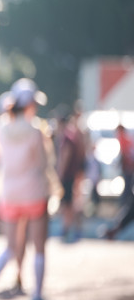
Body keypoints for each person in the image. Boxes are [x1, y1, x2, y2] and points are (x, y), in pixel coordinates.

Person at [0, 78, 60, 300]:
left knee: (10, 247)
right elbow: (44, 163)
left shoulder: (1, 128)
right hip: (34, 193)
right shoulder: (36, 131)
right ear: (30, 105)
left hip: (8, 194)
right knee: (39, 247)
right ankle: (37, 297)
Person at [53, 103, 86, 243]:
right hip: (73, 173)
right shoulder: (72, 134)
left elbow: (65, 157)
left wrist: (59, 173)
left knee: (68, 204)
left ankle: (67, 229)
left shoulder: (67, 136)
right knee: (72, 203)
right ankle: (73, 229)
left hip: (68, 175)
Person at [103, 124, 134, 239]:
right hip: (129, 172)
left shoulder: (124, 139)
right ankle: (115, 229)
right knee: (130, 206)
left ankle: (115, 229)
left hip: (129, 171)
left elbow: (125, 155)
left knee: (129, 202)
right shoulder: (127, 139)